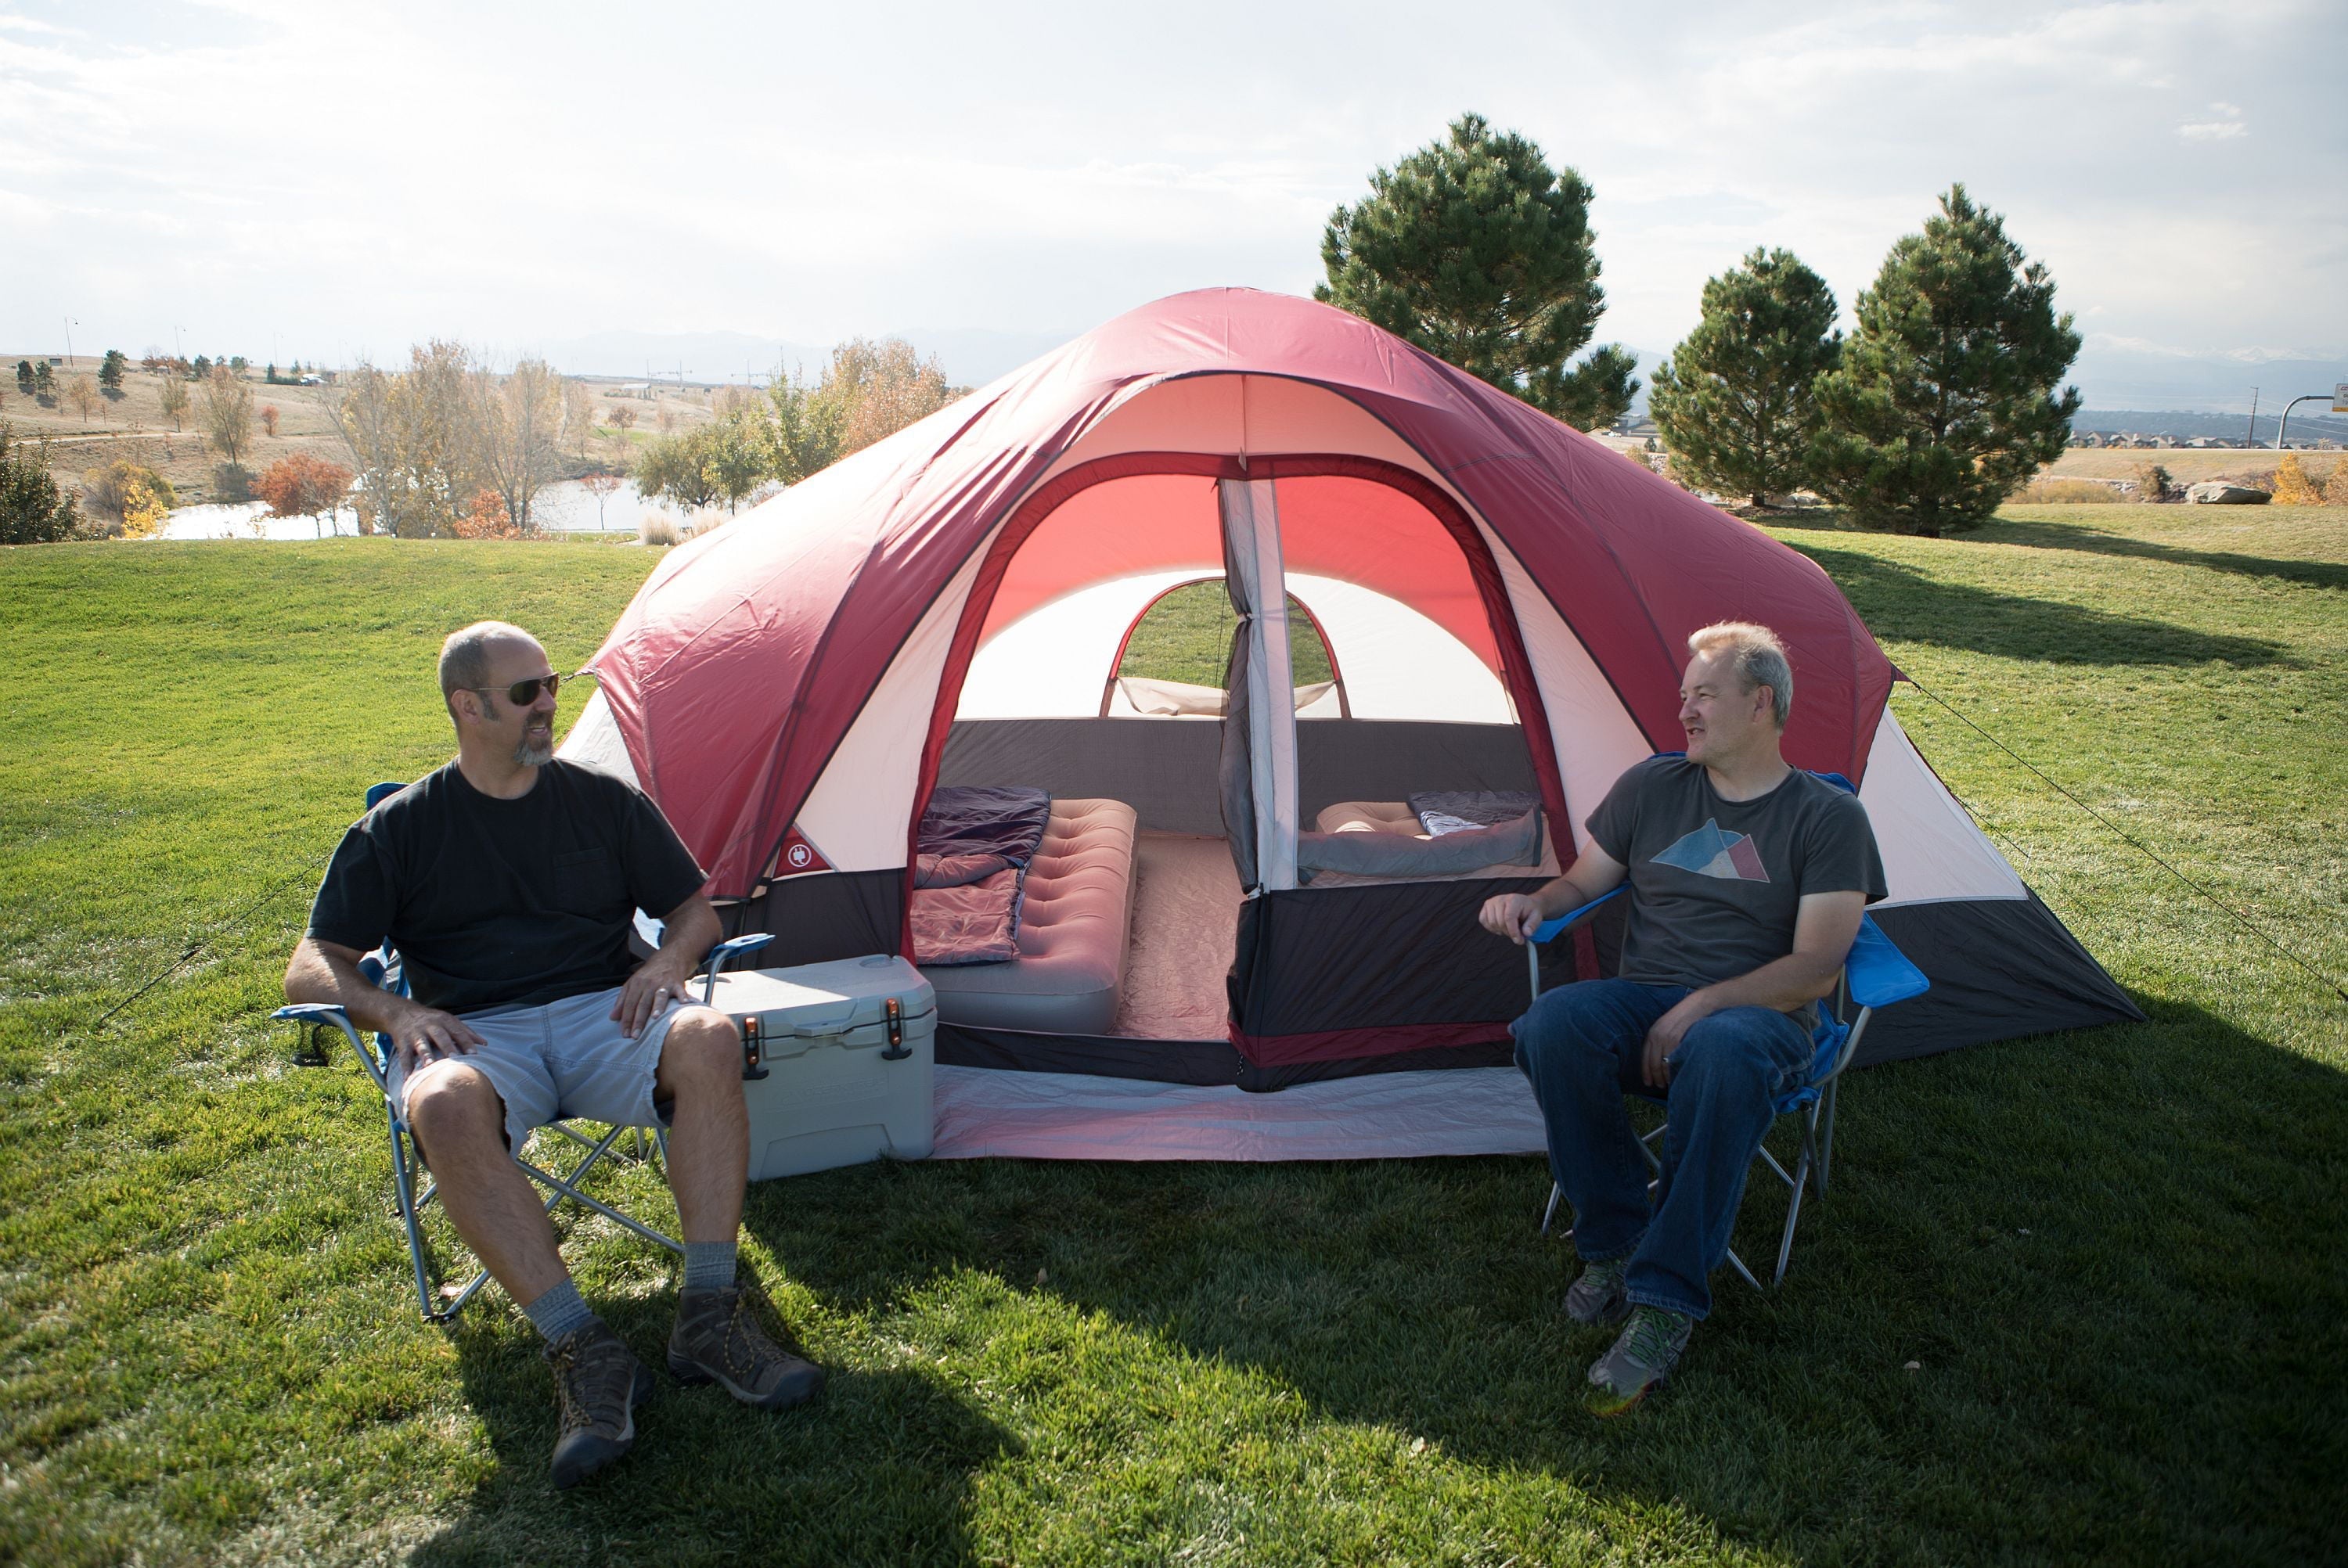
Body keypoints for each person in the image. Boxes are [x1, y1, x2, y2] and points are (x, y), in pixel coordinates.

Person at [284, 620, 821, 1487]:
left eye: (552, 685)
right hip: (475, 1031)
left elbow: (695, 913)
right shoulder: (400, 828)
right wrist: (395, 1010)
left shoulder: (602, 801)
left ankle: (710, 1316)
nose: (548, 705)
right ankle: (582, 1347)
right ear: (467, 707)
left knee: (708, 1035)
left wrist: (668, 963)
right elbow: (313, 962)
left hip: (604, 1012)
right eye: (526, 692)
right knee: (440, 1102)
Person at [1480, 621, 1885, 1416]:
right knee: (1553, 1026)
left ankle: (1666, 1300)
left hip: (1763, 1019)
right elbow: (1581, 883)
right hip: (1648, 1002)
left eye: (1704, 695)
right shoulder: (1653, 787)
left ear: (1761, 703)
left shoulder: (1827, 818)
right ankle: (1616, 1239)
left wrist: (1703, 1005)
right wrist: (1536, 901)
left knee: (1723, 1052)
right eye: (1684, 697)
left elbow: (1817, 967)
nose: (1685, 712)